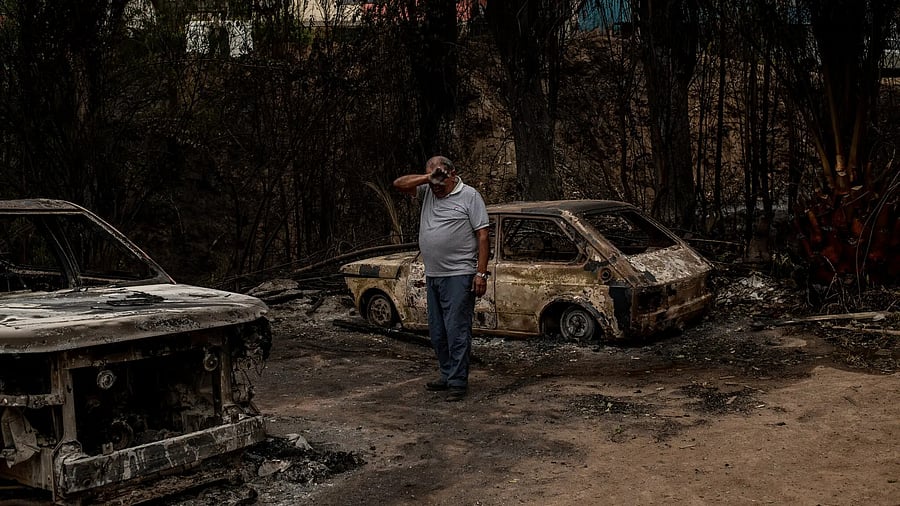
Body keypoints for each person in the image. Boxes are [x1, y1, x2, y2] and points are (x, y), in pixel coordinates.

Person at [393, 155, 490, 402]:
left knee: (456, 329)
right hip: (434, 273)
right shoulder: (427, 190)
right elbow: (398, 184)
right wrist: (429, 178)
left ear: (453, 174)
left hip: (459, 273)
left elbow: (482, 236)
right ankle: (447, 374)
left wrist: (480, 273)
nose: (436, 186)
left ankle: (458, 381)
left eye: (441, 179)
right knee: (437, 332)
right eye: (432, 181)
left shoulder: (469, 196)